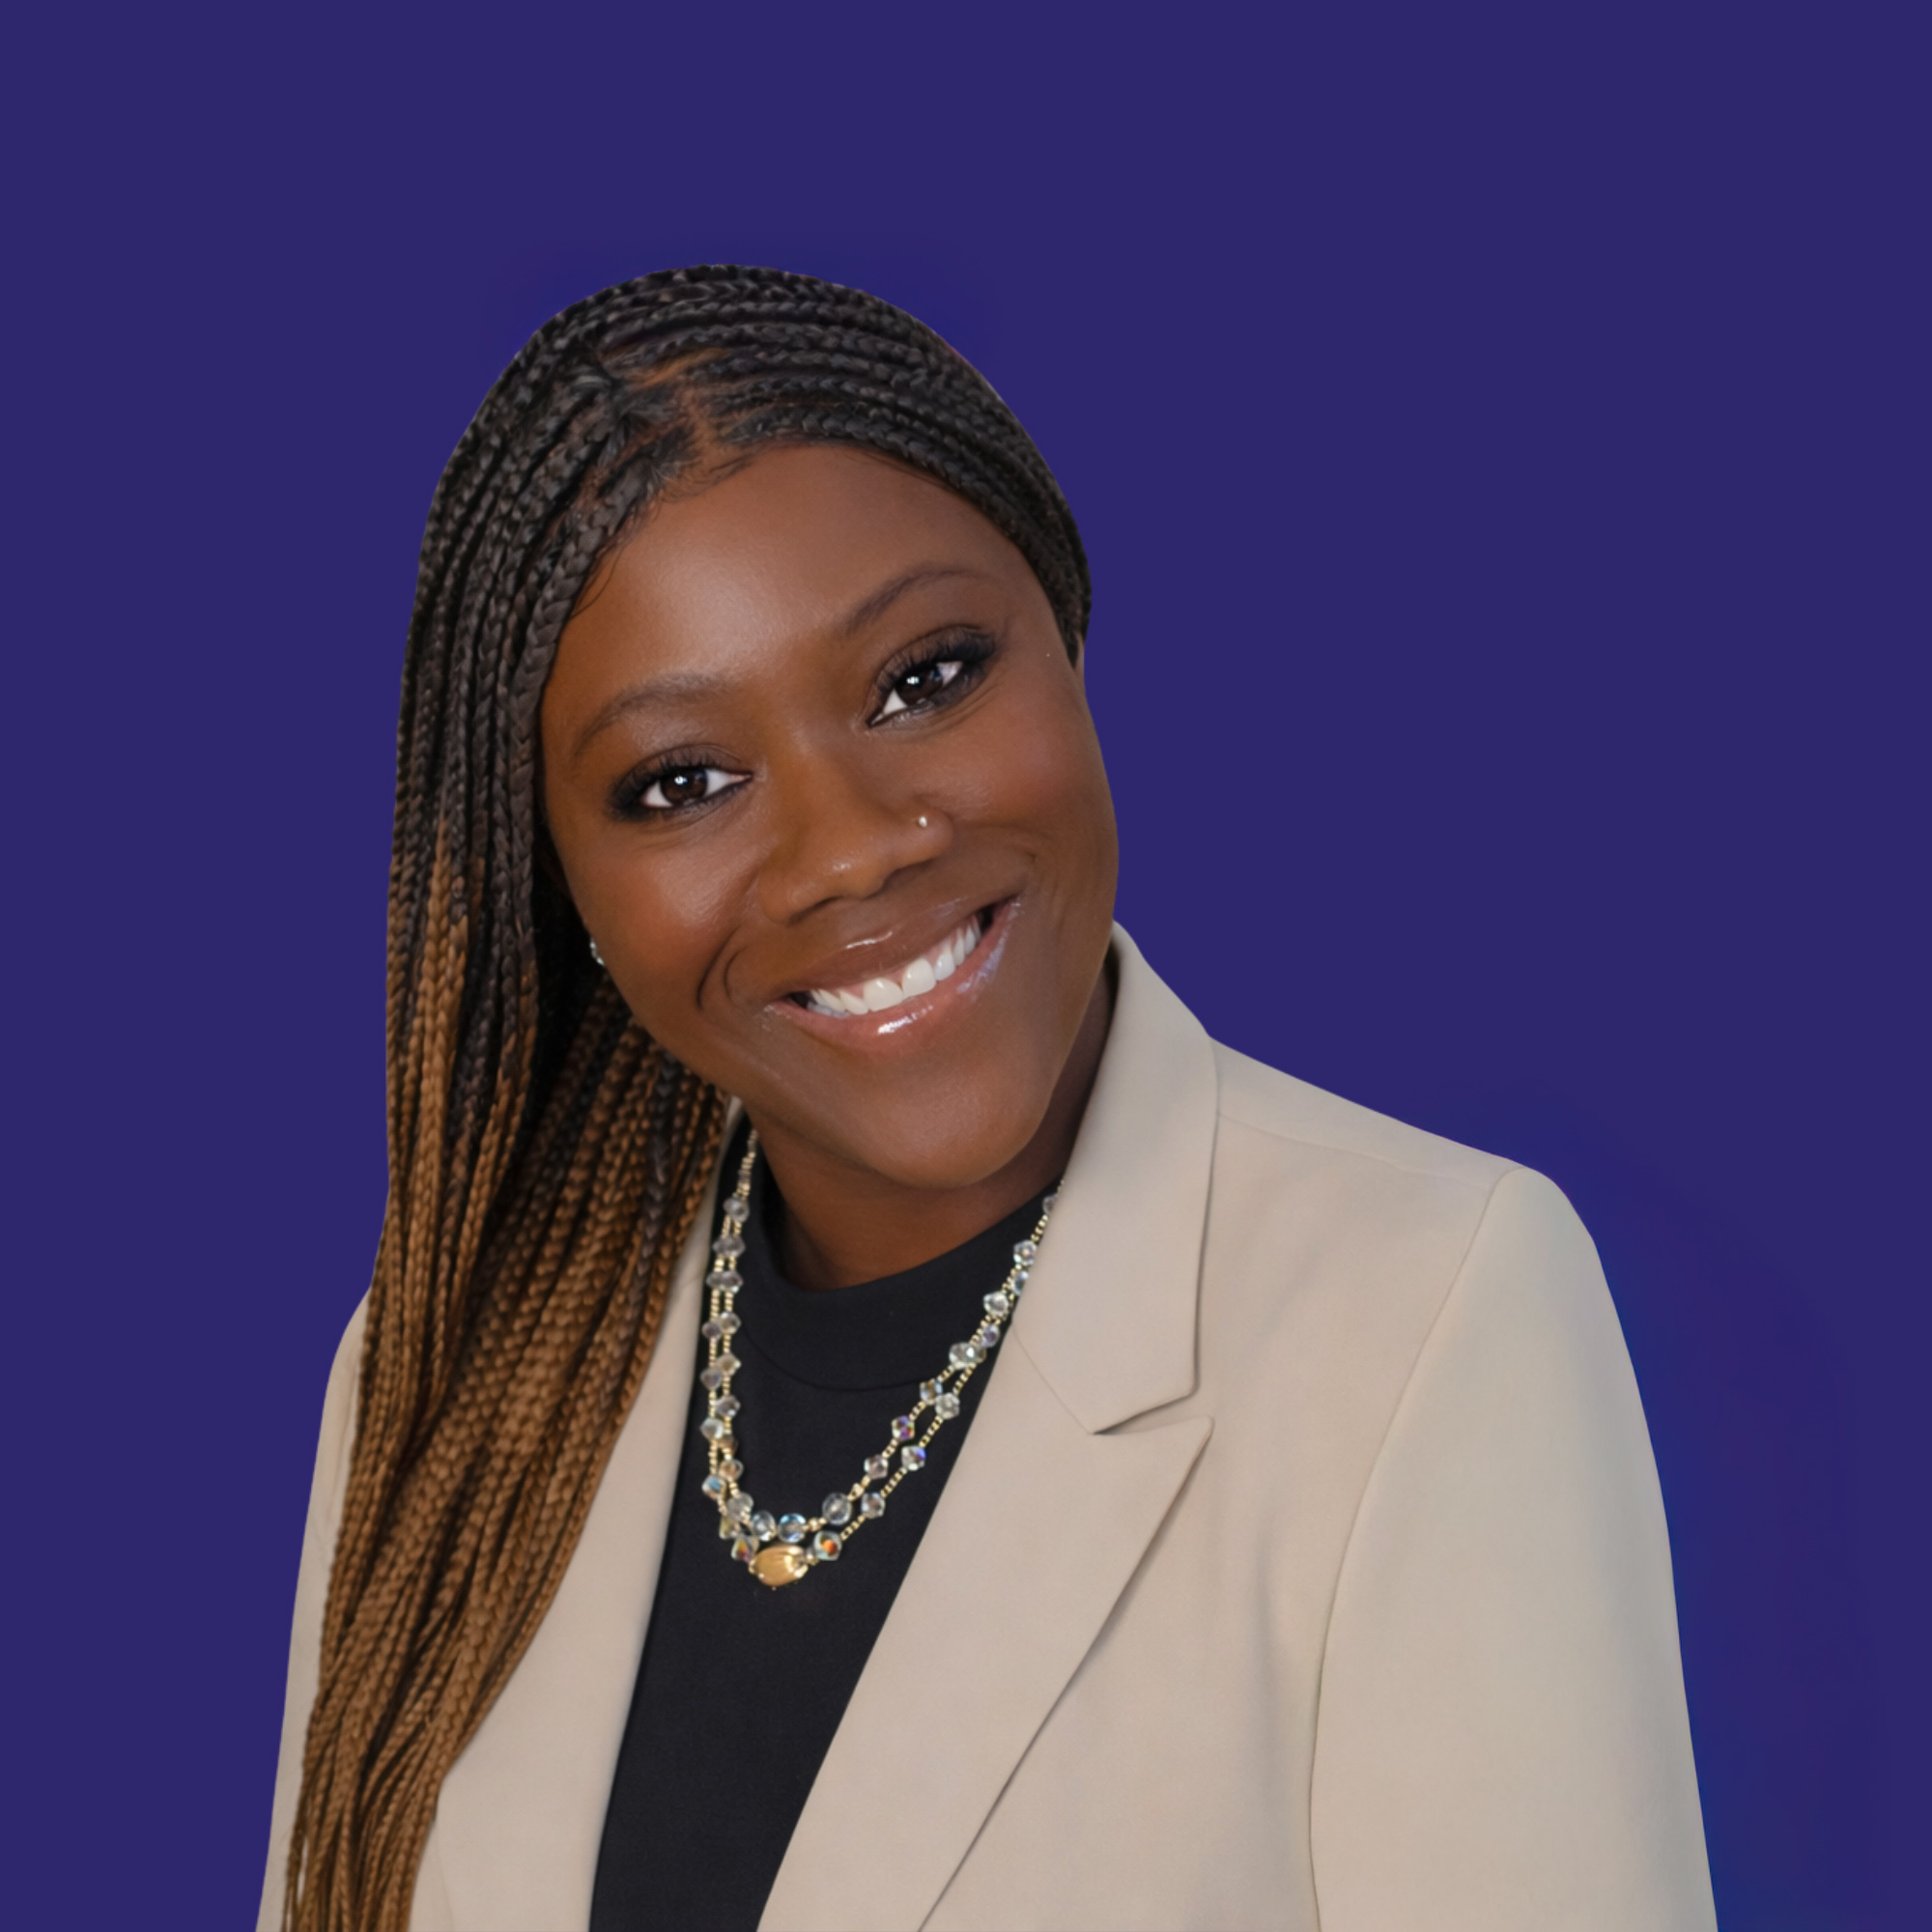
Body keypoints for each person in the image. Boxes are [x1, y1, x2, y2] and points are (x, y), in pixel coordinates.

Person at [258, 266, 1716, 1931]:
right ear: (564, 893)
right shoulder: (451, 1368)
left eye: (925, 678)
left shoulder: (1420, 1313)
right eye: (682, 782)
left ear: (1067, 630)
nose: (856, 844)